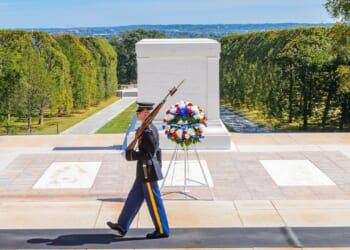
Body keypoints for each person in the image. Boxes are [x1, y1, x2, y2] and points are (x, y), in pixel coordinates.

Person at [107, 102, 170, 239]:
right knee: (133, 198)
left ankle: (162, 229)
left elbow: (148, 154)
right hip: (144, 171)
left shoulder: (147, 132)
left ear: (147, 114)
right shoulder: (147, 128)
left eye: (139, 112)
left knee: (154, 201)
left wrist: (130, 155)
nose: (137, 114)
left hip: (147, 171)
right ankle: (122, 225)